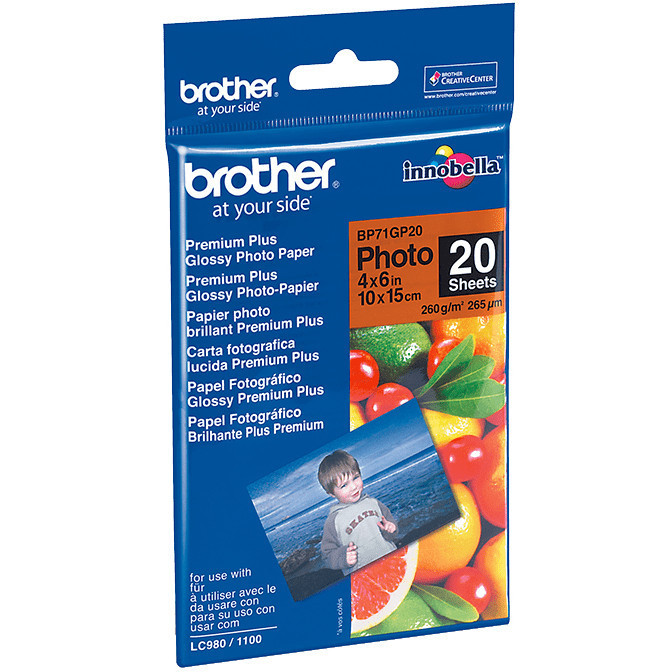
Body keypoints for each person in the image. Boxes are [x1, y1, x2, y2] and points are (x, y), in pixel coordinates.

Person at [318, 450, 397, 575]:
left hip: (394, 563)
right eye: (344, 485)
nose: (354, 486)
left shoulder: (374, 503)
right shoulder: (334, 521)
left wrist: (391, 528)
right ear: (331, 493)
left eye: (355, 478)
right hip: (364, 576)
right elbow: (327, 555)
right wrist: (343, 557)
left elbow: (392, 530)